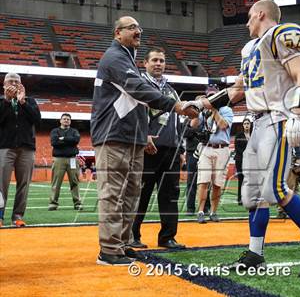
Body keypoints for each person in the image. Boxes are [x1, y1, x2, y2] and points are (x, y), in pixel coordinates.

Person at [183, 0, 300, 278]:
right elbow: (238, 89)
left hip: (278, 118)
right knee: (253, 195)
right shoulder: (251, 48)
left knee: (274, 190)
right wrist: (206, 103)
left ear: (261, 14)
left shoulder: (282, 34)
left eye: (250, 16)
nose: (246, 22)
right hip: (256, 122)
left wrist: (298, 114)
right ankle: (255, 254)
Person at [91, 16, 197, 266]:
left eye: (140, 27)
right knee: (113, 195)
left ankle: (123, 243)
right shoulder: (114, 57)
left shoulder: (125, 59)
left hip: (131, 138)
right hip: (113, 136)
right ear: (118, 33)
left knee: (130, 196)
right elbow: (138, 89)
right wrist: (176, 104)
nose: (138, 30)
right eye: (131, 27)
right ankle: (108, 250)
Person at [131, 48, 186, 250]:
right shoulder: (139, 85)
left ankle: (167, 237)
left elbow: (178, 122)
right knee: (140, 194)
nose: (158, 64)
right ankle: (132, 234)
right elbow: (134, 114)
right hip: (147, 150)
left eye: (162, 60)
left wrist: (181, 149)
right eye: (154, 60)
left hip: (171, 150)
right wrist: (143, 136)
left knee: (170, 195)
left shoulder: (171, 90)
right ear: (145, 63)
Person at [0, 72, 41, 227]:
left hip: (26, 148)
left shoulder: (30, 101)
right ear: (4, 84)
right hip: (5, 147)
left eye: (17, 81)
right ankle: (0, 216)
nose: (14, 83)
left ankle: (17, 216)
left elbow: (37, 120)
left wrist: (22, 102)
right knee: (1, 184)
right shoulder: (1, 101)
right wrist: (6, 101)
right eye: (11, 81)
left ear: (22, 84)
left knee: (24, 184)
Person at [191, 89, 234, 224]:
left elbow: (222, 125)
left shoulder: (226, 110)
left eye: (214, 97)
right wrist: (198, 109)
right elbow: (193, 125)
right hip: (206, 148)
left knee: (217, 184)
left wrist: (214, 110)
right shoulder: (204, 111)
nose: (212, 100)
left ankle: (213, 212)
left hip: (222, 149)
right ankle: (201, 211)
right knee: (203, 181)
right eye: (210, 97)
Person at [48, 113, 83, 211]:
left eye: (68, 119)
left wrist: (63, 139)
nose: (66, 120)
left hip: (72, 158)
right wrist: (69, 141)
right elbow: (54, 142)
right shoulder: (55, 131)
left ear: (70, 121)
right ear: (60, 120)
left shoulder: (74, 131)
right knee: (56, 182)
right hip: (59, 159)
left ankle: (77, 203)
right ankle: (53, 203)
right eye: (64, 119)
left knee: (74, 181)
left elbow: (76, 140)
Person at [234, 118, 252, 205]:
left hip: (252, 161)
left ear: (250, 124)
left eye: (248, 123)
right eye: (245, 123)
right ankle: (240, 199)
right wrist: (247, 154)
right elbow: (237, 148)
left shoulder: (253, 135)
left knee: (251, 180)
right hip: (240, 160)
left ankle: (249, 198)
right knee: (241, 179)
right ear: (243, 125)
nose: (246, 125)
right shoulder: (239, 135)